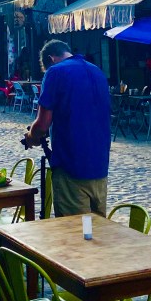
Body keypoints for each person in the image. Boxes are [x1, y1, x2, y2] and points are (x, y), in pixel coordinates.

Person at [24, 39, 111, 217]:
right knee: (98, 234)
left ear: (51, 58)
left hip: (71, 166)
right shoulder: (97, 71)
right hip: (99, 166)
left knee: (74, 235)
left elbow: (42, 124)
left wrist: (30, 136)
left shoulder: (55, 72)